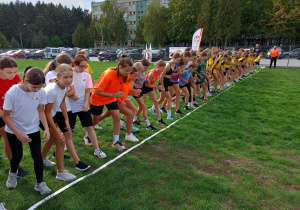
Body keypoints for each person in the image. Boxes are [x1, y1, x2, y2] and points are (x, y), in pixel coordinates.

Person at [3, 67, 51, 194]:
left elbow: (41, 110)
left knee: (37, 156)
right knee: (17, 155)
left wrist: (46, 128)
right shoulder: (12, 93)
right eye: (34, 87)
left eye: (39, 87)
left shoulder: (41, 92)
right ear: (25, 81)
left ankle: (40, 183)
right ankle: (13, 173)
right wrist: (18, 133)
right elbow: (5, 116)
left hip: (33, 128)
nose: (37, 90)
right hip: (14, 129)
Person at [41, 64, 77, 181]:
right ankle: (61, 172)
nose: (69, 80)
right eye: (66, 77)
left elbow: (62, 103)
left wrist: (66, 119)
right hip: (41, 117)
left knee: (53, 139)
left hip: (52, 114)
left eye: (71, 77)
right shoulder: (52, 91)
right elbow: (46, 113)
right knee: (61, 141)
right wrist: (56, 131)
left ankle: (42, 159)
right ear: (58, 76)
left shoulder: (65, 87)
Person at [90, 55, 131, 151]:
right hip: (98, 98)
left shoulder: (123, 76)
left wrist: (118, 98)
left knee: (116, 118)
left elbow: (118, 90)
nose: (128, 73)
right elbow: (98, 91)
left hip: (111, 98)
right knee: (95, 120)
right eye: (126, 71)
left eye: (129, 71)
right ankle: (87, 135)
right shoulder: (109, 74)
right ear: (120, 67)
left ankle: (115, 141)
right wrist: (114, 95)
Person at [69, 54, 106, 158]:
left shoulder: (87, 75)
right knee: (68, 129)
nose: (83, 69)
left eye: (85, 66)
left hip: (82, 105)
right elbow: (63, 88)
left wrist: (86, 104)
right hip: (69, 106)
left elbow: (87, 91)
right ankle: (63, 147)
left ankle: (97, 150)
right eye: (81, 66)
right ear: (74, 64)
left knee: (90, 127)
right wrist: (71, 95)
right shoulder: (69, 74)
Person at [0, 56, 30, 177]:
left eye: (14, 72)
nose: (13, 75)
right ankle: (15, 167)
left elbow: (20, 92)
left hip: (9, 112)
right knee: (6, 134)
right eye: (9, 72)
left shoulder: (16, 78)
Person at [133, 60, 157, 130]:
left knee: (141, 106)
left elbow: (141, 80)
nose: (145, 70)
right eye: (145, 68)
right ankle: (148, 125)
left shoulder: (143, 71)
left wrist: (146, 81)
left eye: (147, 68)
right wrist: (134, 87)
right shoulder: (136, 72)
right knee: (143, 106)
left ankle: (133, 120)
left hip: (140, 90)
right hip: (135, 91)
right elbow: (132, 81)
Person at [144, 60, 167, 124]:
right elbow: (146, 84)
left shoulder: (159, 72)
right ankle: (135, 118)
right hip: (144, 88)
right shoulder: (151, 73)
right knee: (142, 106)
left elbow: (153, 81)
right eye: (162, 68)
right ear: (157, 66)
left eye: (164, 68)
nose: (163, 69)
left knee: (156, 103)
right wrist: (155, 87)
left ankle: (159, 119)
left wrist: (154, 86)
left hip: (150, 87)